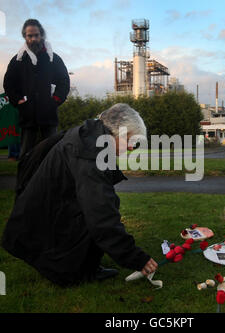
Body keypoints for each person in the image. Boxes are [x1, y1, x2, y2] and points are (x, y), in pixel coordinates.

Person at [1, 103, 158, 287]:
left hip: (48, 213)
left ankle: (87, 267)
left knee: (107, 202)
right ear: (119, 133)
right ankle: (68, 272)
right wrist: (136, 258)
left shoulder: (88, 135)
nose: (132, 148)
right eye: (131, 141)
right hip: (44, 224)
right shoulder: (90, 153)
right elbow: (101, 216)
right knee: (96, 211)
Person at [3, 19, 70, 159]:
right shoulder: (18, 60)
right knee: (26, 154)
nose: (33, 39)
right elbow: (9, 83)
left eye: (36, 35)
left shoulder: (53, 58)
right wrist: (19, 101)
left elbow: (64, 80)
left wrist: (55, 101)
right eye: (29, 36)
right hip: (28, 115)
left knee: (53, 153)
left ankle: (51, 180)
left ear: (42, 35)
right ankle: (24, 181)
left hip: (49, 113)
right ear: (25, 37)